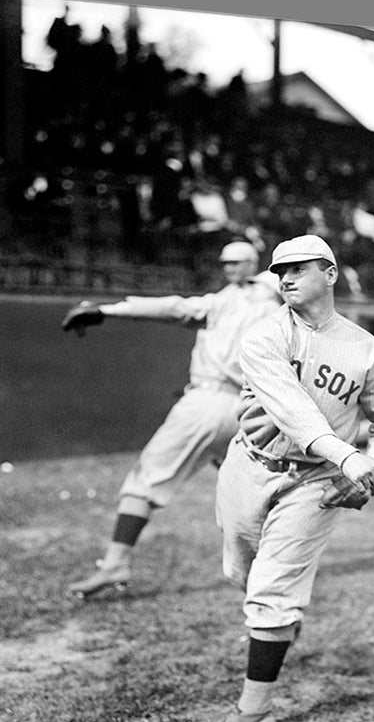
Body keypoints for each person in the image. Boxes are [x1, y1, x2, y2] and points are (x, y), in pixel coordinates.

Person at [182, 235, 374, 722]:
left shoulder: (365, 349)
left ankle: (254, 711)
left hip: (316, 483)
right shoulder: (264, 335)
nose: (283, 277)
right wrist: (348, 454)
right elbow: (292, 408)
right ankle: (277, 625)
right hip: (250, 464)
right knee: (239, 571)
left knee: (271, 593)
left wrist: (372, 466)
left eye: (298, 268)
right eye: (278, 270)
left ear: (330, 273)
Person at [61, 240, 282, 598]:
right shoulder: (282, 307)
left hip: (209, 401)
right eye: (225, 262)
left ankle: (116, 562)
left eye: (235, 263)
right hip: (248, 409)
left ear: (252, 265)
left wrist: (107, 311)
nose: (228, 269)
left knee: (144, 482)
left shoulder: (228, 301)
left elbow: (175, 307)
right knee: (256, 492)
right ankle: (271, 568)